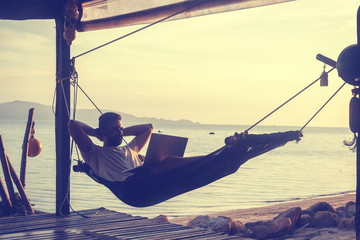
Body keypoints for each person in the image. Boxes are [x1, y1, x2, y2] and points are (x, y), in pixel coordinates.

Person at [68, 112, 206, 182]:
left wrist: (118, 133)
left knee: (168, 160)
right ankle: (209, 159)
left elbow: (148, 128)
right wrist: (96, 134)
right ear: (102, 131)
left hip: (150, 180)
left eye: (121, 128)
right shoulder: (94, 153)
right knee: (171, 161)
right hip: (132, 186)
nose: (120, 132)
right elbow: (73, 125)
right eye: (114, 129)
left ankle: (209, 160)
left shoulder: (131, 148)